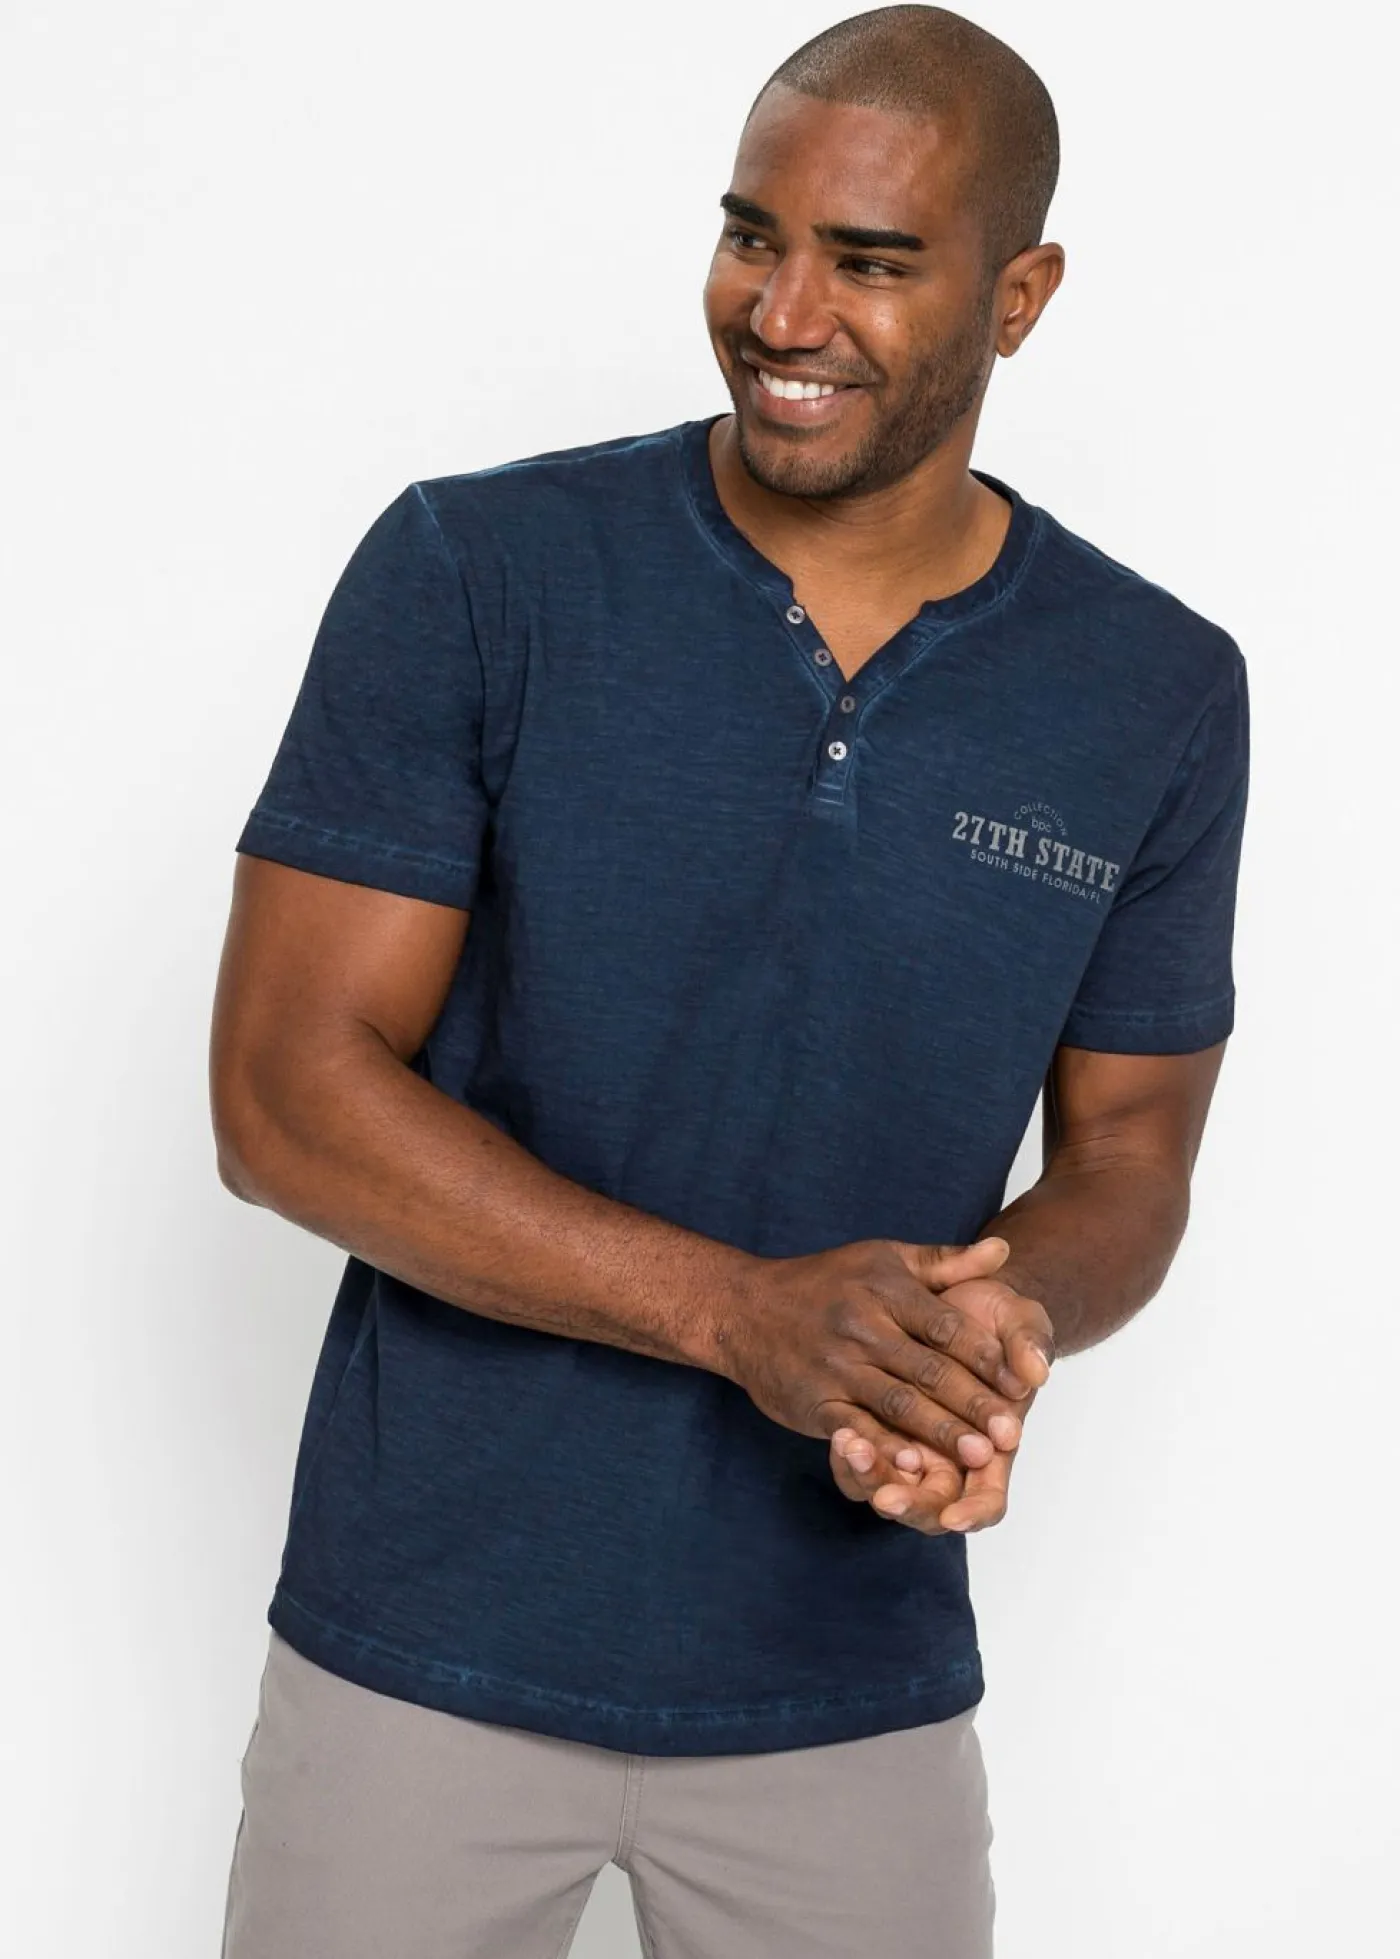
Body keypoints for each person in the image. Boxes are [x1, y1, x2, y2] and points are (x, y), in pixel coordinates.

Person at [211, 7, 1249, 1955]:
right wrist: (742, 1315)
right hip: (423, 1645)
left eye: (869, 260)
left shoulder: (1155, 690)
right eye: (751, 234)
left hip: (847, 1675)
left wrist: (988, 1327)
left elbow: (1133, 1154)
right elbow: (282, 1099)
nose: (780, 312)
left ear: (1018, 297)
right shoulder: (478, 569)